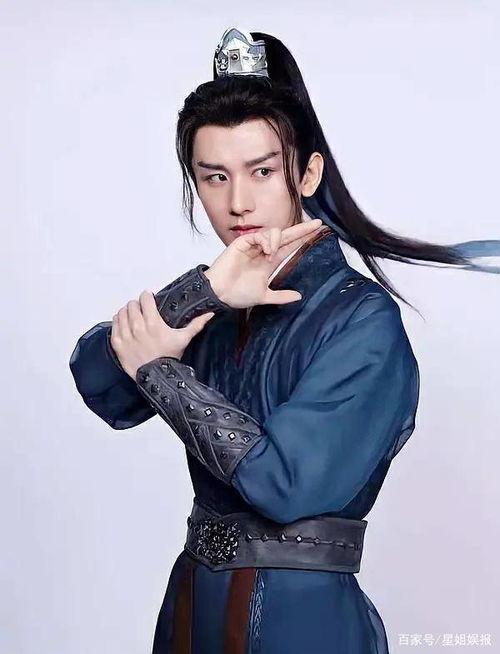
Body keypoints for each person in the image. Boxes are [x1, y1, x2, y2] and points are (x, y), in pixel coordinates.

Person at [69, 27, 500, 654]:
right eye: (214, 177)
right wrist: (202, 291)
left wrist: (161, 371)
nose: (238, 202)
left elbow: (285, 485)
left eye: (262, 171)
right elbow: (100, 384)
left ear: (307, 172)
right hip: (190, 609)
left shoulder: (362, 320)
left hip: (299, 619)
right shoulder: (216, 303)